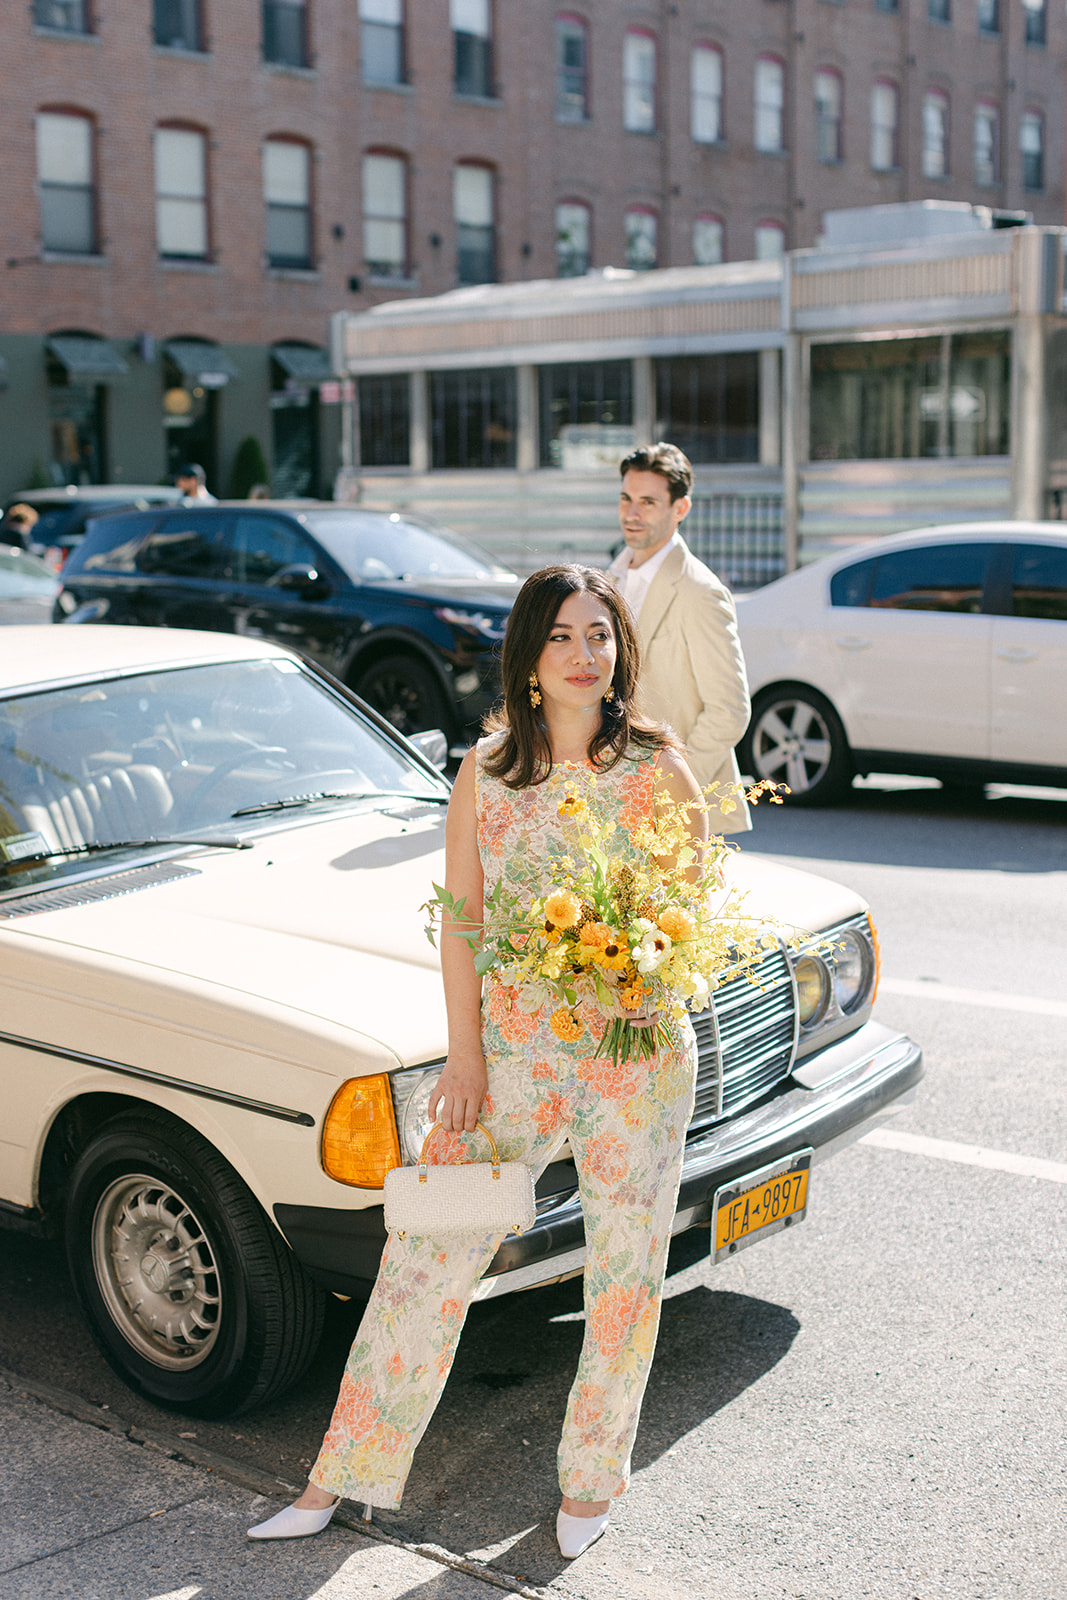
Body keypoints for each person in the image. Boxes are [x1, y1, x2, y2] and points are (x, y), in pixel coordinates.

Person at [248, 565, 708, 1559]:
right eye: (561, 638)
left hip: (634, 1060)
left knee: (624, 1274)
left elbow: (691, 908)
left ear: (619, 649)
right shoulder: (488, 770)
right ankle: (336, 1476)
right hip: (505, 1068)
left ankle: (589, 1483)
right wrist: (463, 1058)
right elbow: (460, 924)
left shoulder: (655, 766)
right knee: (423, 1259)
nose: (585, 655)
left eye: (599, 635)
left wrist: (644, 970)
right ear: (529, 658)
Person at [608, 443, 752, 833]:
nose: (632, 513)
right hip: (614, 800)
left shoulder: (699, 591)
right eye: (626, 498)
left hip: (679, 810)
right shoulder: (610, 579)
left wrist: (671, 789)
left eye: (648, 502)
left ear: (680, 509)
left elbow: (729, 711)